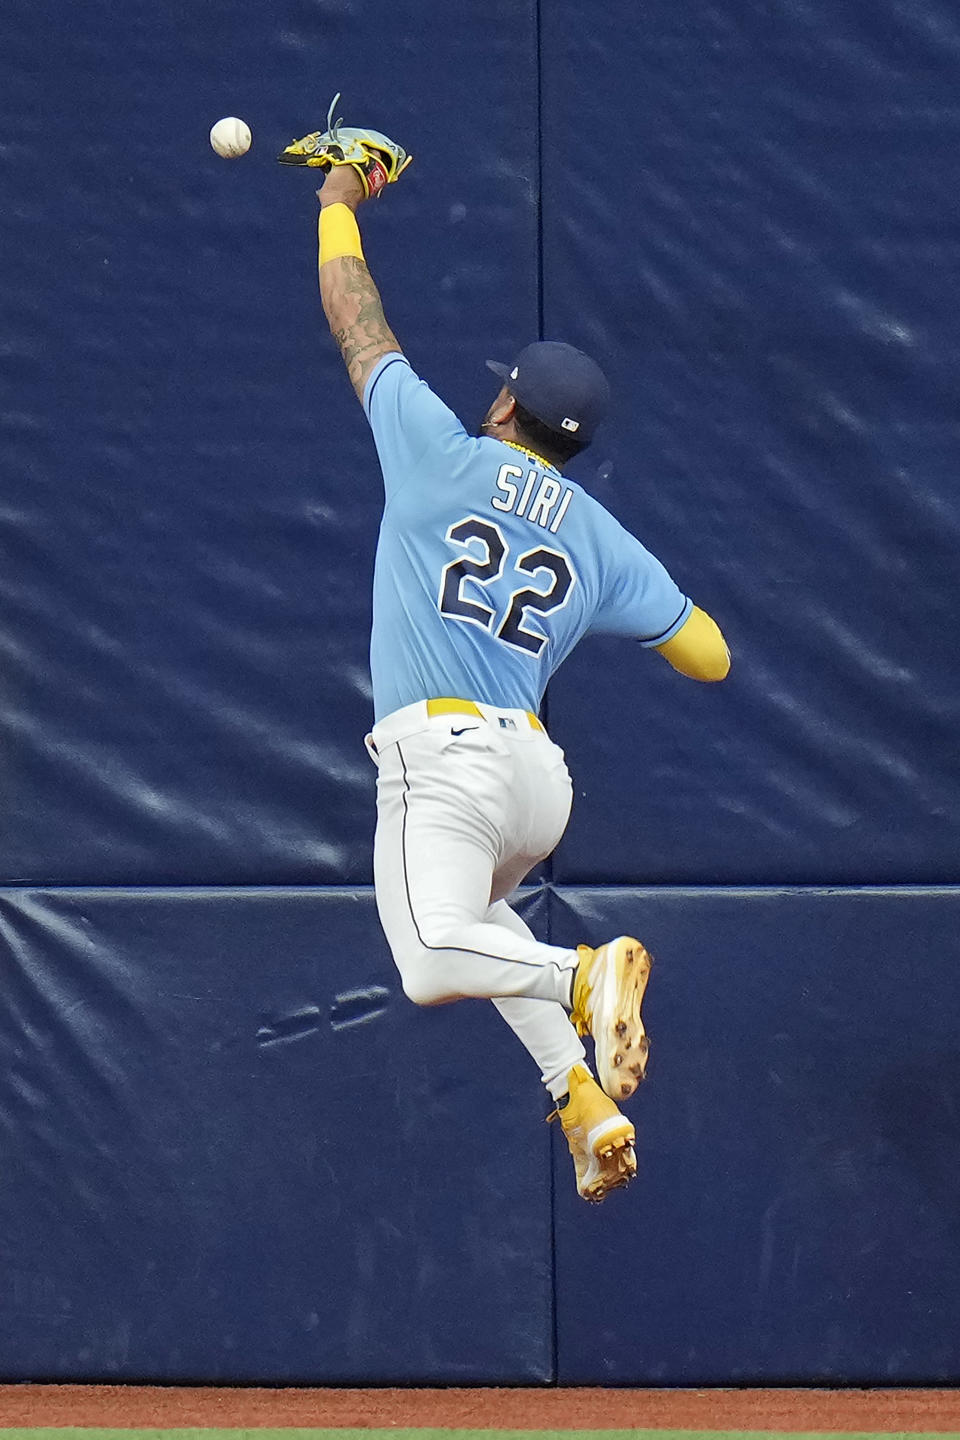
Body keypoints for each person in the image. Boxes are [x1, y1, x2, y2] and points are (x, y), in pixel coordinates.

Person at [308, 157, 730, 1203]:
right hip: (536, 781)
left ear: (505, 402)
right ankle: (581, 1100)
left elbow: (357, 320)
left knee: (429, 961)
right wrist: (618, 604)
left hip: (443, 762)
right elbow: (710, 654)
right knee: (481, 923)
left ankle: (584, 976)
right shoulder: (599, 537)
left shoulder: (437, 451)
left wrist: (336, 205)